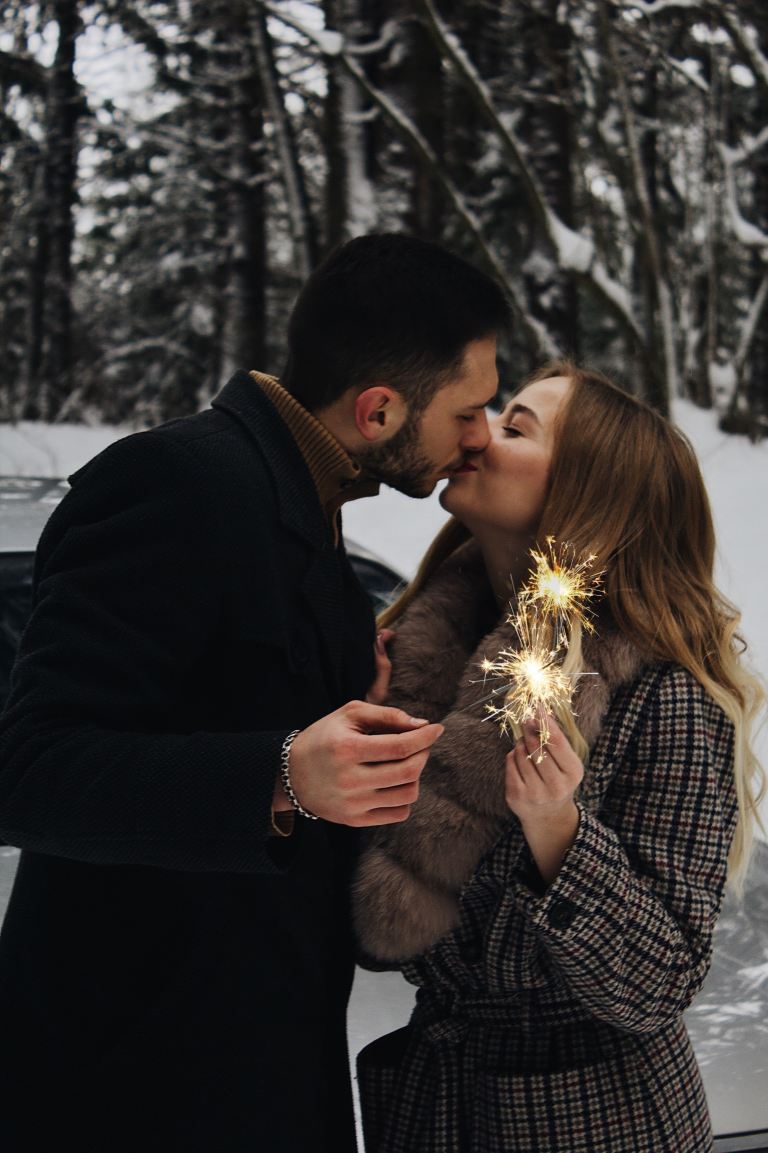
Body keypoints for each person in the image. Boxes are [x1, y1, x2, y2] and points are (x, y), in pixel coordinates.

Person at [0, 233, 510, 1153]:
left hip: (259, 1069)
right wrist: (279, 772)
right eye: (470, 410)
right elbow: (30, 769)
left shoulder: (307, 510)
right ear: (381, 408)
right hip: (131, 1088)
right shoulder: (175, 480)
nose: (479, 436)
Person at [353, 362, 765, 1153]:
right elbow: (380, 926)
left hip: (594, 1124)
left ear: (588, 490)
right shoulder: (426, 661)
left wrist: (560, 832)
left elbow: (662, 982)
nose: (477, 435)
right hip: (435, 1111)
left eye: (515, 428)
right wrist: (380, 733)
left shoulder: (666, 696)